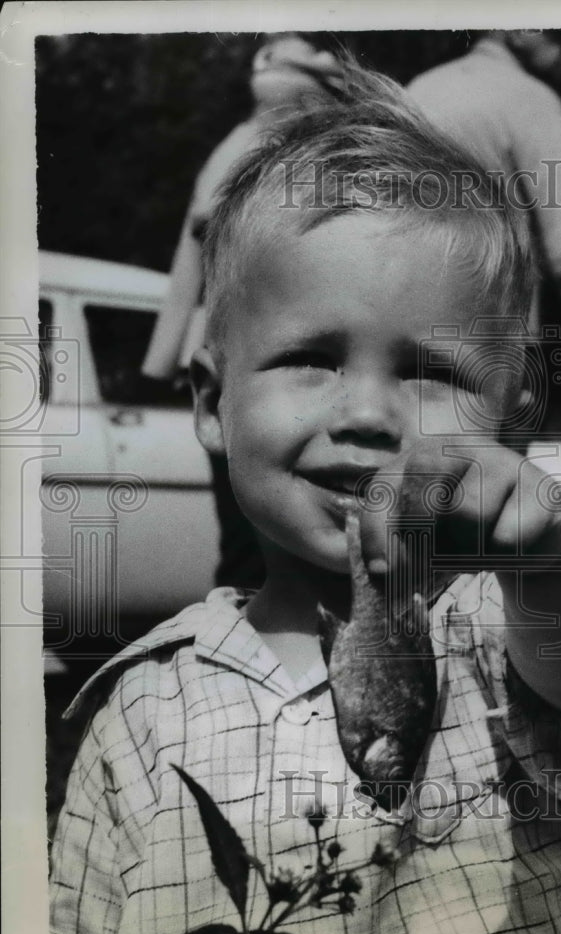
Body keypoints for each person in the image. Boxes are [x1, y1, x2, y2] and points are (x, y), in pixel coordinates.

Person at [49, 65, 561, 934]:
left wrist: (560, 548)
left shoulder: (496, 630)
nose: (369, 414)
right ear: (212, 403)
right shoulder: (140, 708)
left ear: (510, 418)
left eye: (433, 372)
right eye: (312, 358)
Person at [142, 33, 345, 589]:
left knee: (254, 532)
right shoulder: (270, 156)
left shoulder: (236, 145)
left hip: (227, 350)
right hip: (247, 351)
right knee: (257, 538)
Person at [407, 30, 561, 426]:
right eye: (558, 32)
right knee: (497, 462)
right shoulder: (530, 99)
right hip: (493, 337)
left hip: (406, 330)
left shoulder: (418, 89)